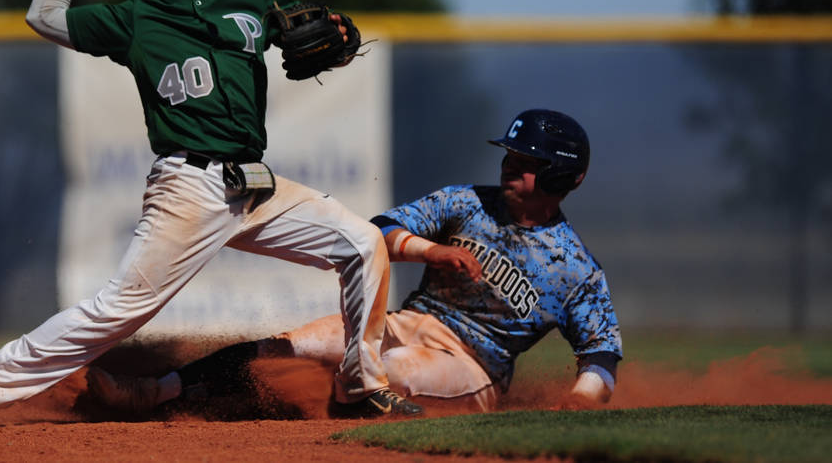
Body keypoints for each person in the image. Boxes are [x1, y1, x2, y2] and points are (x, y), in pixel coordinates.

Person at [0, 0, 422, 425]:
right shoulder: (138, 18)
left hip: (255, 187)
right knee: (119, 310)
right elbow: (42, 16)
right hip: (189, 187)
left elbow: (315, 27)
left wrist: (334, 33)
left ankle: (362, 385)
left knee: (363, 244)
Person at [87, 109, 623, 415]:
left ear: (562, 177)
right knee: (291, 344)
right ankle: (153, 392)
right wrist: (431, 250)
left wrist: (582, 397)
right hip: (408, 322)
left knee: (380, 375)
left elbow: (600, 353)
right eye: (511, 156)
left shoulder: (575, 268)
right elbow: (379, 231)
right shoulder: (468, 202)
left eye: (529, 164)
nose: (513, 167)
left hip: (473, 367)